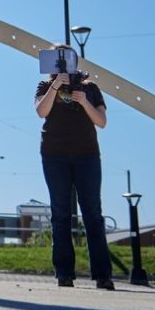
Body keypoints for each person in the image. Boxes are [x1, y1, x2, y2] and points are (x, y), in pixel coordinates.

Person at [34, 45, 114, 290]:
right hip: (54, 155)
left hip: (86, 155)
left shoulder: (90, 88)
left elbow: (101, 122)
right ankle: (64, 273)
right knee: (60, 213)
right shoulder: (44, 86)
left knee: (92, 213)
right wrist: (56, 86)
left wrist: (84, 102)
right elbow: (41, 111)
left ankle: (102, 275)